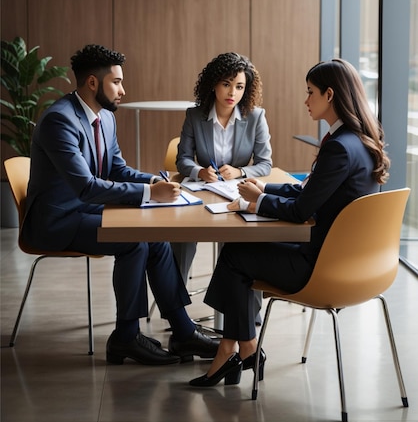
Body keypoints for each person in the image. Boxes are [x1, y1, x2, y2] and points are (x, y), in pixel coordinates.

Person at [188, 58, 390, 386]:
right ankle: (238, 347)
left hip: (323, 267)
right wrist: (264, 188)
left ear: (329, 94)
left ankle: (238, 348)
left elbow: (300, 211)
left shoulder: (338, 147)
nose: (306, 100)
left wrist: (257, 201)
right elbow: (312, 191)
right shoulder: (359, 140)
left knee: (236, 255)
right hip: (358, 265)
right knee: (239, 252)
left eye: (310, 92)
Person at [21, 44, 219, 366]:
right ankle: (126, 337)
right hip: (57, 221)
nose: (123, 90)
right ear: (93, 84)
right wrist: (148, 196)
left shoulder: (105, 119)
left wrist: (152, 183)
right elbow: (85, 187)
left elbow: (116, 169)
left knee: (154, 236)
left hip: (86, 210)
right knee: (133, 242)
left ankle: (182, 331)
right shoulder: (60, 121)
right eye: (117, 82)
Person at [173, 52, 273, 285]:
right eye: (226, 84)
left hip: (236, 194)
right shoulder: (195, 115)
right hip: (202, 194)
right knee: (182, 234)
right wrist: (199, 171)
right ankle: (175, 303)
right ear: (213, 84)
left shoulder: (256, 117)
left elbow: (265, 163)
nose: (232, 93)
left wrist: (241, 172)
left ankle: (248, 311)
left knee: (248, 239)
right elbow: (183, 160)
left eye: (239, 87)